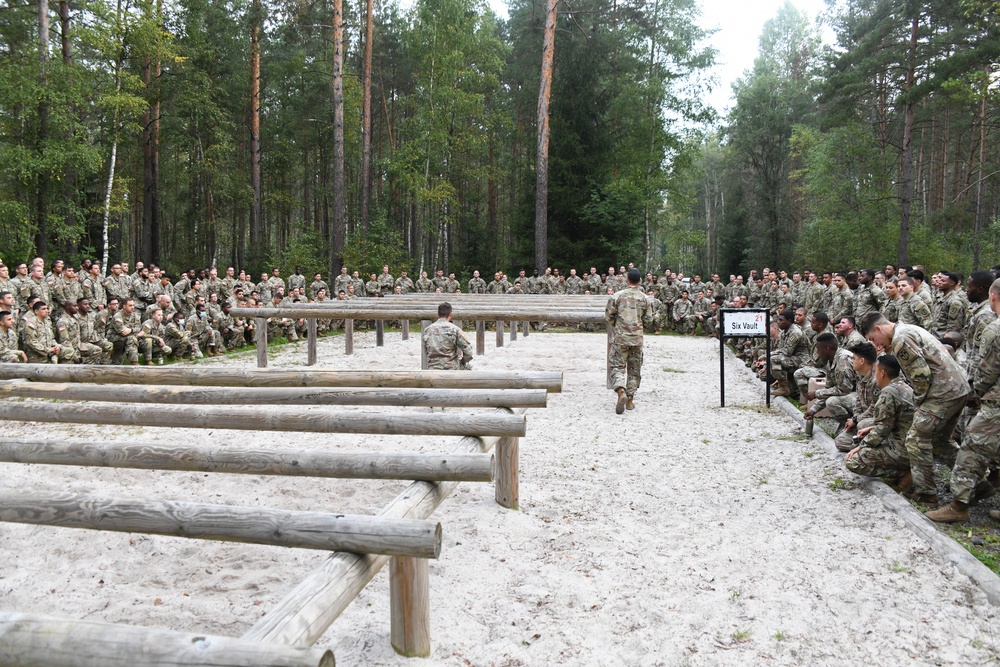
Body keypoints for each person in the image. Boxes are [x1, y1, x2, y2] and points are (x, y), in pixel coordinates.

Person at [858, 311, 970, 504]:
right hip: (957, 388)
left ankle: (926, 494)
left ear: (878, 328)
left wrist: (918, 402)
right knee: (942, 440)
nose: (876, 344)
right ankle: (978, 483)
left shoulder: (901, 338)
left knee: (916, 439)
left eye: (873, 338)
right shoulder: (909, 329)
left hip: (941, 392)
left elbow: (921, 377)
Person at [927, 278, 1000, 523]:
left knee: (972, 449)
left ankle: (959, 506)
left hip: (995, 402)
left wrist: (975, 393)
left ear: (992, 296)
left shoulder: (995, 328)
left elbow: (988, 369)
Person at [844, 354, 915, 491]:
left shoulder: (889, 392)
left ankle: (902, 473)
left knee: (853, 461)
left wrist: (861, 446)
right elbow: (893, 421)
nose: (874, 374)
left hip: (902, 449)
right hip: (910, 442)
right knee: (865, 429)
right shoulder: (904, 386)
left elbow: (882, 428)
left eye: (875, 370)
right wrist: (871, 428)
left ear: (882, 373)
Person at [605, 268, 653, 414]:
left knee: (617, 366)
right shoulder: (645, 299)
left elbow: (609, 316)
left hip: (620, 338)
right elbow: (649, 320)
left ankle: (621, 391)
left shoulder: (617, 296)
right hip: (637, 339)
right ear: (639, 281)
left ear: (627, 280)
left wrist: (618, 327)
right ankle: (630, 399)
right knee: (634, 369)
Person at [422, 302, 473, 370]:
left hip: (433, 366)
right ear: (451, 314)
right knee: (468, 367)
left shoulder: (427, 330)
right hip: (451, 367)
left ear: (438, 314)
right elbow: (468, 352)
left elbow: (426, 350)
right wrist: (463, 360)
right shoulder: (455, 329)